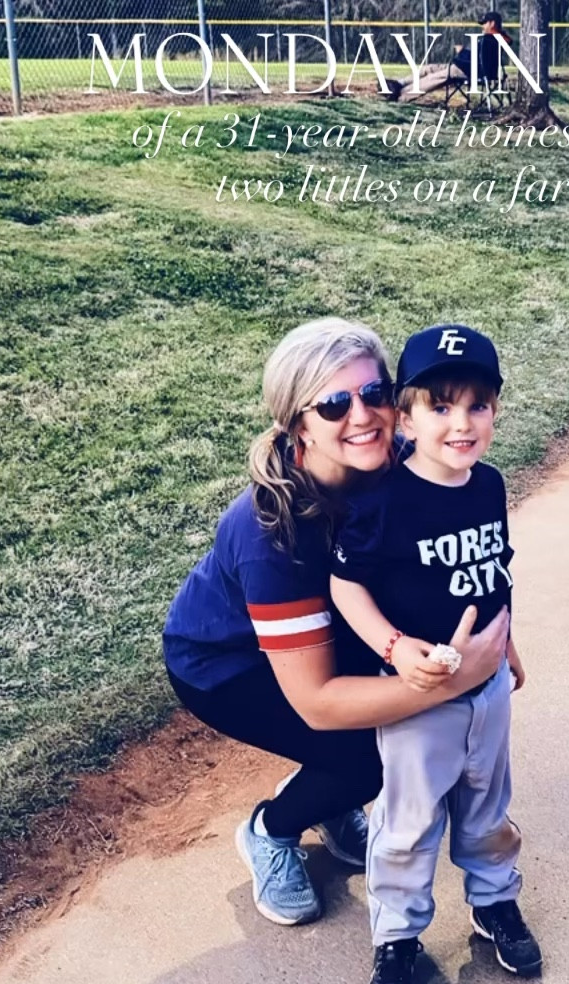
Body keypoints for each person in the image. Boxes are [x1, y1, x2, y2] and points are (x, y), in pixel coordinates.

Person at [163, 318, 509, 928]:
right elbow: (319, 701)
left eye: (374, 394)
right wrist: (457, 678)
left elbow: (460, 556)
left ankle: (331, 795)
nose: (363, 416)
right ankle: (272, 828)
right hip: (226, 664)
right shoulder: (272, 533)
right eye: (332, 404)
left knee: (388, 734)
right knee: (369, 755)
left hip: (339, 629)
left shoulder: (403, 463)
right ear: (298, 423)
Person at [330, 323, 541, 984]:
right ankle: (396, 936)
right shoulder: (383, 499)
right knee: (409, 821)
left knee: (487, 803)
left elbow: (493, 567)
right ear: (407, 415)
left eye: (477, 406)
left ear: (495, 411)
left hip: (485, 690)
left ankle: (494, 903)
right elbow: (346, 586)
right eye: (441, 407)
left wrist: (506, 640)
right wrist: (394, 649)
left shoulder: (488, 484)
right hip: (419, 696)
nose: (461, 424)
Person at [452, 11, 513, 91]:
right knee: (430, 69)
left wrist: (461, 52)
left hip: (471, 72)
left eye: (485, 23)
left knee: (434, 75)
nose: (483, 26)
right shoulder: (500, 39)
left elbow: (475, 59)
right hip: (485, 72)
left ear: (492, 24)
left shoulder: (488, 40)